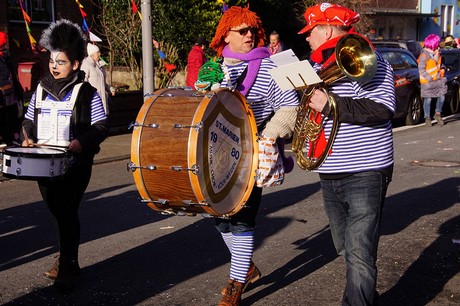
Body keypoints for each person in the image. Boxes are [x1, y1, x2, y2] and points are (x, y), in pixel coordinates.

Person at [297, 3, 396, 305]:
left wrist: (330, 104)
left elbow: (383, 109)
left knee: (358, 251)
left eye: (311, 32)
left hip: (366, 169)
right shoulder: (315, 69)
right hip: (330, 170)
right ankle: (365, 295)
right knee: (345, 246)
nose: (306, 38)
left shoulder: (370, 59)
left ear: (327, 29)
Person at [209, 6, 299, 305]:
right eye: (241, 31)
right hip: (215, 151)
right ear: (226, 35)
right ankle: (245, 267)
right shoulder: (215, 67)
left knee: (244, 216)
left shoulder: (272, 67)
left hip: (252, 146)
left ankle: (235, 283)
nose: (249, 36)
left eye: (252, 30)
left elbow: (290, 107)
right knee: (219, 214)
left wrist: (268, 136)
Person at [20, 19, 108, 293]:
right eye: (52, 60)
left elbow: (101, 126)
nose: (54, 65)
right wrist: (27, 137)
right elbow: (27, 120)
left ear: (75, 64)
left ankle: (68, 265)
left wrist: (82, 141)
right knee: (57, 211)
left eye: (61, 61)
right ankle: (66, 257)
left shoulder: (87, 93)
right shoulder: (40, 89)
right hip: (44, 163)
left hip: (75, 165)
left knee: (67, 211)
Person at [0, 31, 24, 146]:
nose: (6, 47)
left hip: (10, 93)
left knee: (12, 114)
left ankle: (11, 136)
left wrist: (17, 89)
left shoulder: (6, 57)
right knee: (4, 116)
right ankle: (6, 137)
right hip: (3, 94)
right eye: (4, 45)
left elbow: (11, 75)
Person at [417, 34, 447, 127]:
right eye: (437, 43)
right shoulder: (424, 55)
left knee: (442, 97)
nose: (438, 45)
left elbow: (441, 64)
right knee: (428, 99)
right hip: (428, 82)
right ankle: (427, 117)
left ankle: (437, 114)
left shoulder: (438, 53)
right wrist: (430, 78)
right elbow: (421, 69)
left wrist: (443, 69)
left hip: (438, 80)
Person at [81, 43, 112, 115]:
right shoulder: (86, 64)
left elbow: (102, 83)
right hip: (93, 101)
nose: (99, 54)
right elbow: (83, 81)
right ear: (92, 54)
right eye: (97, 52)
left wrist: (110, 89)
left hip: (102, 99)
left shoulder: (100, 65)